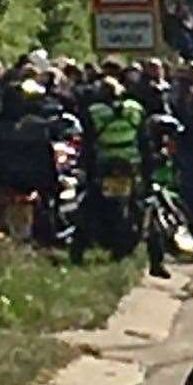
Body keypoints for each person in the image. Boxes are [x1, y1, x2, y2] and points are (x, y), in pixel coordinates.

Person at [72, 78, 169, 278]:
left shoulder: (94, 112)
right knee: (146, 211)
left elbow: (88, 144)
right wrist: (148, 167)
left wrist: (85, 170)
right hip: (131, 167)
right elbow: (144, 141)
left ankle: (77, 252)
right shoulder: (135, 109)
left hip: (104, 167)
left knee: (87, 209)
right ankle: (157, 262)